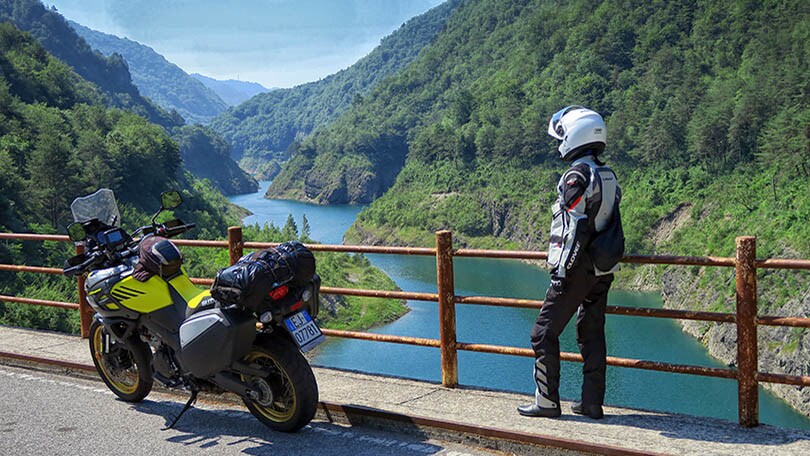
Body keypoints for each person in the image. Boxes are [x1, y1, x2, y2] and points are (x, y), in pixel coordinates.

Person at [517, 106, 623, 420]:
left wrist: (563, 272)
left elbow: (574, 227)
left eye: (562, 134)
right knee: (591, 332)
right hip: (603, 267)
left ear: (576, 134)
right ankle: (592, 404)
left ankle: (547, 402)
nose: (559, 141)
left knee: (542, 332)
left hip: (577, 267)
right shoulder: (607, 173)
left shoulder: (576, 175)